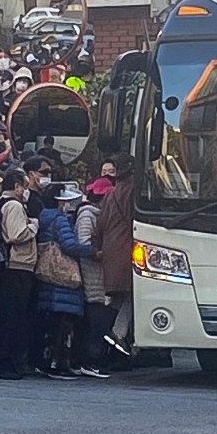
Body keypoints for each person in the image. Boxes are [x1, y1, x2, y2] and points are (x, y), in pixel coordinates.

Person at [36, 186, 97, 379]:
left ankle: (46, 361)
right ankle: (57, 364)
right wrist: (93, 251)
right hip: (63, 278)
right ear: (60, 201)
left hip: (47, 274)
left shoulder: (43, 217)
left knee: (51, 324)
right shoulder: (60, 219)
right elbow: (69, 245)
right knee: (63, 323)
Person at [0, 168, 37, 380]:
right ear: (17, 186)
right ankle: (6, 360)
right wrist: (33, 226)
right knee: (13, 315)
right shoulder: (14, 206)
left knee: (8, 314)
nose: (26, 191)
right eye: (24, 186)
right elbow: (16, 234)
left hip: (7, 265)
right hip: (17, 264)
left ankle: (5, 358)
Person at [95, 153, 135, 357]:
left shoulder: (112, 193)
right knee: (132, 295)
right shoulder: (132, 190)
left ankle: (102, 335)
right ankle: (117, 333)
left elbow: (100, 225)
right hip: (126, 250)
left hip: (111, 251)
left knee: (116, 299)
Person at [75, 177, 114, 378]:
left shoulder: (100, 214)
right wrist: (100, 253)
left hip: (101, 274)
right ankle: (90, 360)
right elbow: (83, 243)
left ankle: (96, 358)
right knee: (95, 319)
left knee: (101, 317)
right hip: (91, 273)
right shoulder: (87, 215)